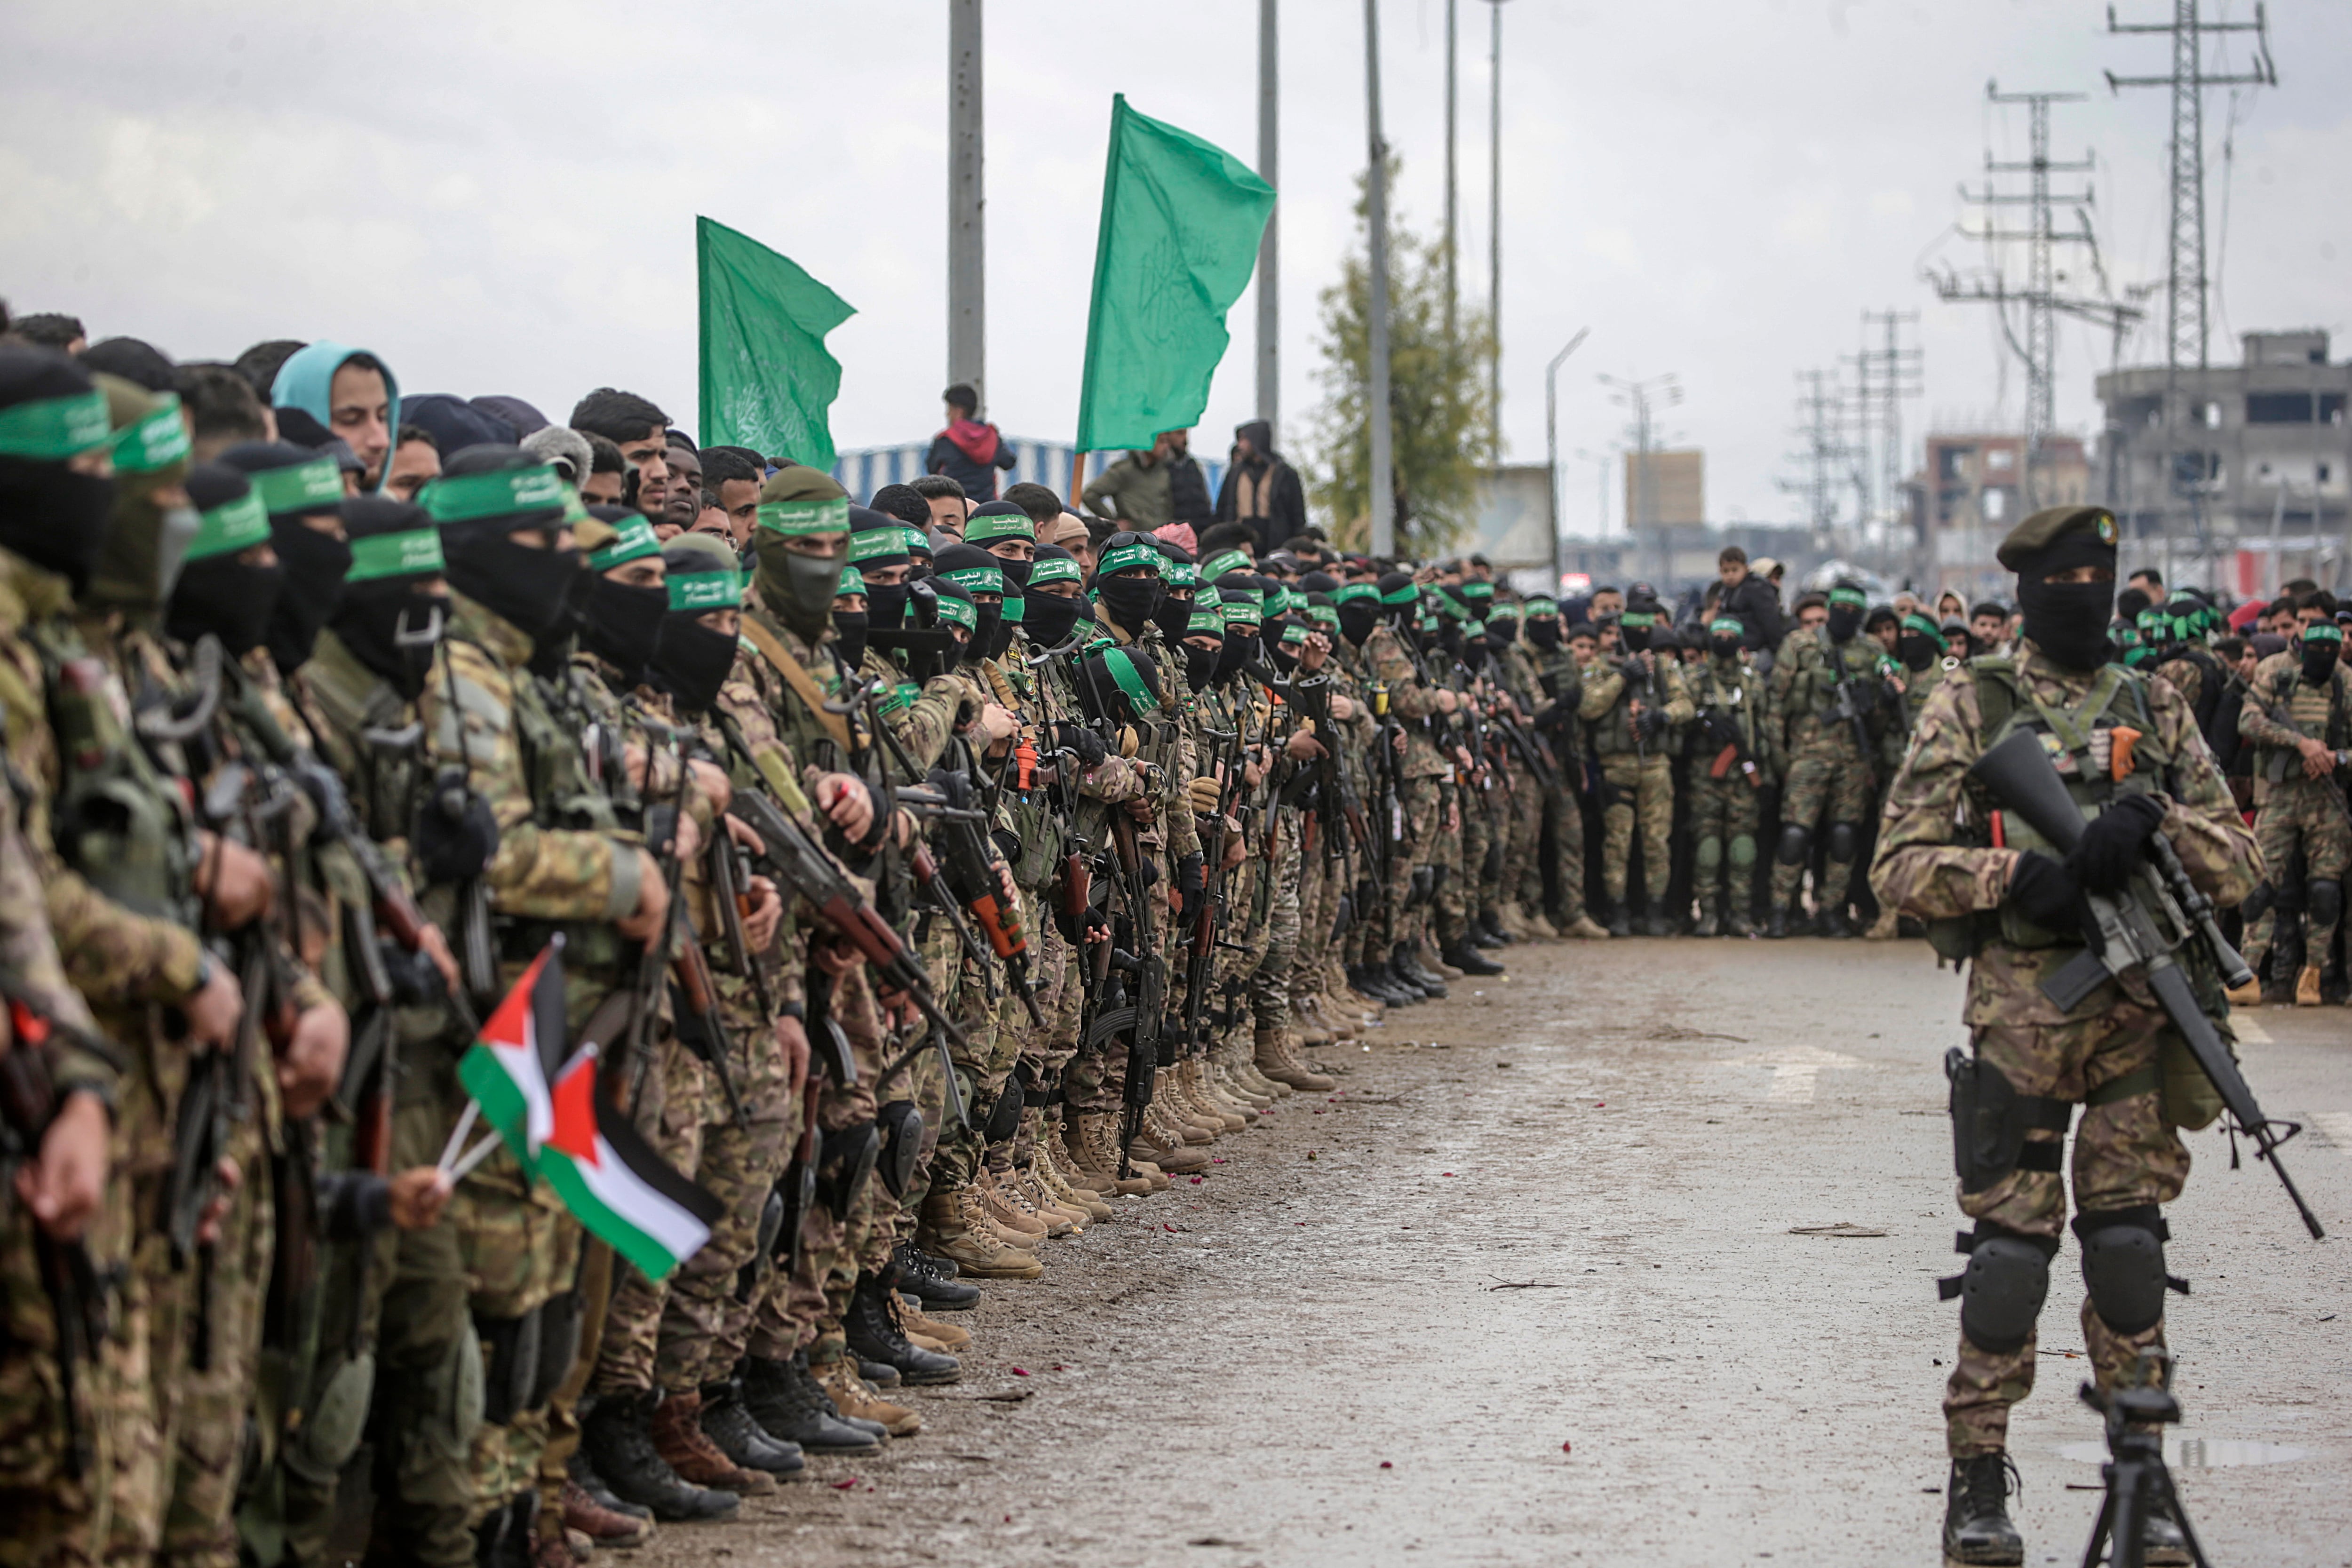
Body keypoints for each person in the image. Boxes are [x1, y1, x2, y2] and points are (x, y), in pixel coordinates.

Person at [1871, 504, 2257, 1568]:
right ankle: (1977, 1480)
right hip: (2020, 1022)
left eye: (2102, 582)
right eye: (2065, 585)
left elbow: (2243, 865)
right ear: (2031, 593)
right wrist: (2013, 874)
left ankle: (2144, 1473)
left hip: (2138, 1022)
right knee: (2009, 1261)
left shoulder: (2156, 706)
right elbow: (1896, 865)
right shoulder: (1971, 700)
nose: (2085, 601)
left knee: (2129, 1253)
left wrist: (2157, 823)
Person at [1766, 581, 1888, 938]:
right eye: (1841, 609)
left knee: (1844, 835)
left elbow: (1882, 719)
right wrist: (1779, 756)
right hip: (1807, 754)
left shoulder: (1871, 651)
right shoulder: (1800, 645)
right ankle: (1779, 908)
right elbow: (1777, 704)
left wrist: (1874, 704)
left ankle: (1832, 909)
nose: (1846, 617)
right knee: (1794, 834)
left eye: (1855, 612)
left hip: (1852, 757)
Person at [924, 385, 1013, 503]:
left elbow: (932, 468)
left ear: (958, 411)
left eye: (949, 410)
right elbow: (1008, 463)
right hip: (985, 506)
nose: (947, 415)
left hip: (956, 505)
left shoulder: (945, 439)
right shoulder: (991, 436)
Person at [1080, 436, 1174, 531]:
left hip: (1160, 537)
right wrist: (1113, 522)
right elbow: (1090, 495)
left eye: (1167, 442)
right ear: (1147, 443)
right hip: (1133, 538)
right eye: (1162, 442)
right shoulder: (1124, 471)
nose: (1166, 446)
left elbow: (1168, 506)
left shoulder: (1164, 473)